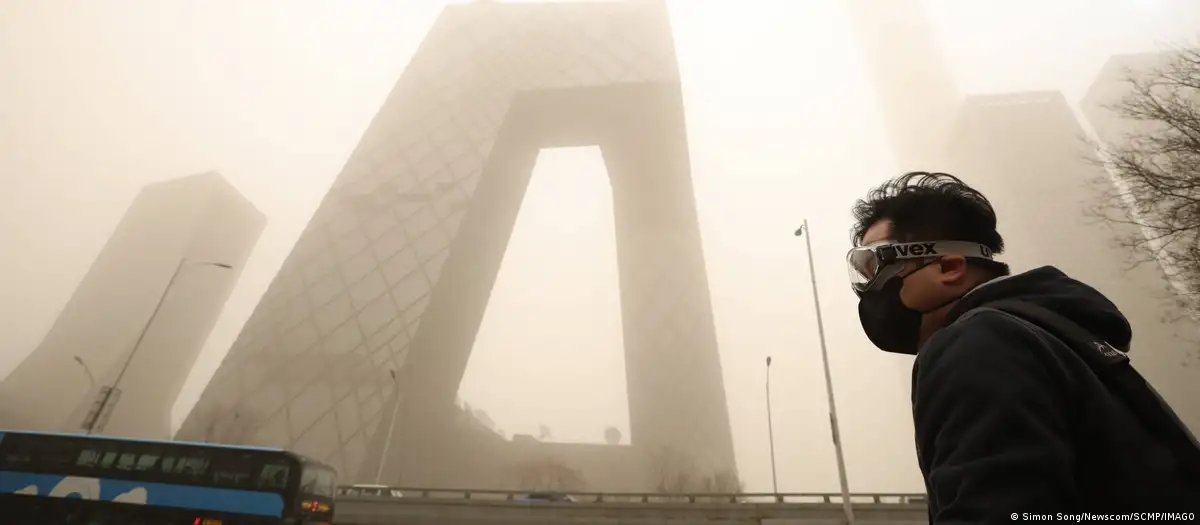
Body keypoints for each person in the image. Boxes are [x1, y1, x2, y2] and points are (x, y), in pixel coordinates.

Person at [847, 172, 1200, 521]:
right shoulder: (1054, 338)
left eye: (873, 264)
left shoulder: (977, 344)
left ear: (950, 267)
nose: (866, 289)